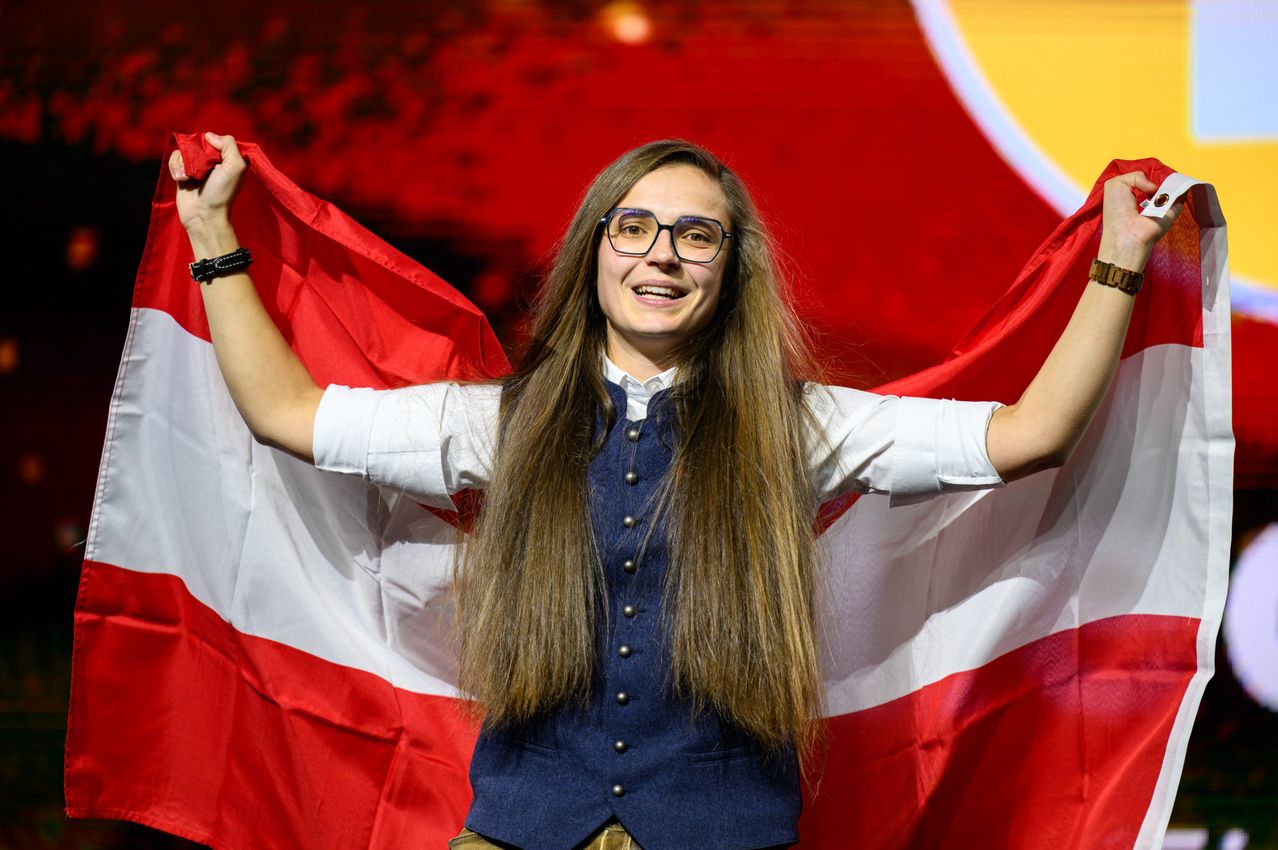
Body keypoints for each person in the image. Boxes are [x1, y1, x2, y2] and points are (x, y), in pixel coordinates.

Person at [170, 132, 1181, 850]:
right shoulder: (500, 422)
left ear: (731, 271)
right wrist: (213, 237)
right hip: (519, 833)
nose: (662, 252)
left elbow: (1032, 434)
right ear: (595, 252)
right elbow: (287, 412)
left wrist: (1118, 264)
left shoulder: (798, 426)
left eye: (697, 235)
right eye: (636, 227)